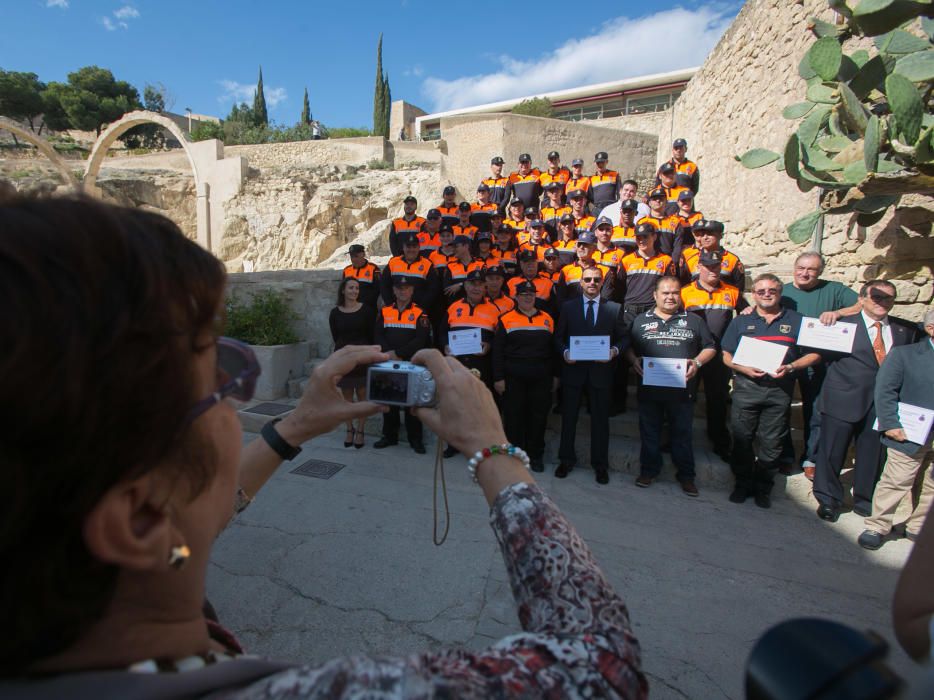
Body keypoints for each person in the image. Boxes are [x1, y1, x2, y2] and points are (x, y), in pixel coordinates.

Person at [0, 195, 646, 698]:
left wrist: (296, 427)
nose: (239, 401)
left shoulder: (85, 593)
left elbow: (197, 516)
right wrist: (491, 451)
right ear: (139, 515)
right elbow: (602, 662)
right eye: (220, 382)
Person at [814, 280, 919, 522]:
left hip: (881, 404)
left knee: (873, 454)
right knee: (831, 452)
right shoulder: (840, 326)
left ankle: (864, 498)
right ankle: (828, 498)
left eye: (888, 298)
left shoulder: (906, 331)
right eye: (876, 297)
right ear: (862, 299)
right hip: (843, 398)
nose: (882, 302)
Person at [721, 273, 821, 508]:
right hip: (746, 389)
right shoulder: (741, 321)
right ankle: (742, 484)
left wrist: (792, 366)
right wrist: (743, 368)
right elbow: (726, 355)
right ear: (753, 294)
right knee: (742, 439)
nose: (766, 294)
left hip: (779, 391)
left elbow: (815, 353)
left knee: (772, 442)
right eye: (761, 291)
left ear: (779, 293)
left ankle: (763, 487)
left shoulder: (797, 320)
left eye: (771, 290)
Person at [626, 276, 717, 495]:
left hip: (682, 390)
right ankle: (648, 471)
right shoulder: (640, 321)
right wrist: (633, 360)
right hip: (650, 389)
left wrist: (697, 362)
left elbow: (710, 347)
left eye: (675, 292)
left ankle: (686, 476)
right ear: (655, 295)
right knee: (649, 432)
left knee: (682, 433)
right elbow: (628, 346)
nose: (670, 297)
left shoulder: (694, 320)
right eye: (665, 293)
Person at [857, 308, 934, 550]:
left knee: (932, 486)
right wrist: (890, 423)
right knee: (897, 480)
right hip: (910, 432)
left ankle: (918, 527)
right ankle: (878, 525)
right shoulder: (905, 355)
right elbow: (885, 391)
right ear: (931, 328)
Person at [779, 251, 861, 478]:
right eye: (801, 268)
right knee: (780, 407)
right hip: (786, 357)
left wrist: (838, 312)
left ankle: (810, 458)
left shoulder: (833, 290)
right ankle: (784, 455)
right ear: (794, 267)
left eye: (811, 269)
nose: (805, 273)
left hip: (820, 359)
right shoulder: (782, 292)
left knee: (815, 410)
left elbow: (863, 304)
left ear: (820, 271)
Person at [555, 266, 629, 484]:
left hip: (601, 372)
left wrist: (613, 352)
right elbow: (558, 338)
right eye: (587, 279)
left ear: (602, 282)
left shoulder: (614, 308)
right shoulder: (568, 308)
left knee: (600, 421)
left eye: (596, 280)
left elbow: (624, 338)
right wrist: (565, 352)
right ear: (581, 282)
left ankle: (600, 464)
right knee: (569, 418)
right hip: (573, 371)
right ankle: (566, 459)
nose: (592, 283)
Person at [680, 250, 746, 459]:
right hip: (691, 353)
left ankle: (719, 441)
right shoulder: (684, 292)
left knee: (717, 398)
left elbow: (747, 316)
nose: (713, 271)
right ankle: (676, 438)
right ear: (699, 268)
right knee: (683, 398)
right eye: (708, 267)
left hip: (719, 355)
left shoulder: (733, 292)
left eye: (717, 267)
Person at [493, 280, 558, 473]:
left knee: (538, 418)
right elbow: (498, 351)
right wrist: (498, 378)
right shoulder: (506, 319)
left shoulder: (547, 318)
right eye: (523, 295)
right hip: (514, 378)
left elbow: (553, 350)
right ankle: (514, 457)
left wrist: (556, 375)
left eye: (531, 294)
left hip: (541, 377)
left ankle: (535, 456)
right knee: (513, 418)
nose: (528, 298)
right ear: (516, 297)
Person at [374, 275, 432, 453]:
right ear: (393, 290)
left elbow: (420, 339)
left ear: (412, 291)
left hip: (410, 363)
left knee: (411, 403)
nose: (402, 291)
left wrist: (399, 353)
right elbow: (378, 335)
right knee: (388, 401)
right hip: (389, 362)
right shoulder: (384, 311)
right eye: (399, 288)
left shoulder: (420, 313)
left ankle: (415, 439)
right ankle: (389, 436)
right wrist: (390, 353)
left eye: (406, 288)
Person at [329, 277, 377, 449]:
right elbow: (336, 337)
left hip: (363, 358)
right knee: (347, 398)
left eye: (357, 288)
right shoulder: (335, 313)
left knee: (362, 396)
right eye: (351, 288)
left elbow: (372, 335)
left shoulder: (367, 311)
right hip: (343, 358)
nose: (354, 291)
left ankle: (361, 431)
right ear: (343, 290)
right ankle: (349, 429)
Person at [678, 219, 744, 291]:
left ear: (720, 236)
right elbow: (683, 285)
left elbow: (739, 289)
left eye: (710, 234)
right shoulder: (690, 258)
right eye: (702, 234)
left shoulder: (732, 259)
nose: (705, 237)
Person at [379, 233, 438, 311]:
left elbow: (433, 289)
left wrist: (421, 307)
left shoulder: (427, 264)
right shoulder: (393, 262)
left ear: (419, 247)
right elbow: (384, 285)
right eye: (408, 247)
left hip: (418, 311)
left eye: (414, 247)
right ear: (403, 247)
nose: (411, 250)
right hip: (395, 309)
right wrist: (390, 304)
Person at [556, 230, 615, 305]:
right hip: (572, 314)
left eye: (585, 245)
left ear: (594, 248)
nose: (581, 247)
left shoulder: (605, 271)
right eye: (579, 244)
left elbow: (606, 299)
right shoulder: (566, 270)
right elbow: (561, 299)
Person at [508, 249, 557, 316]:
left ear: (537, 263)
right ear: (521, 264)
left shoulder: (548, 283)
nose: (530, 265)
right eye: (526, 262)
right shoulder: (511, 282)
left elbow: (554, 308)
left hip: (540, 322)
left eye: (533, 262)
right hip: (516, 322)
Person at [341, 244, 381, 308]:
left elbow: (378, 289)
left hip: (368, 308)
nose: (353, 259)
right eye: (351, 256)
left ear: (363, 254)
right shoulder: (346, 270)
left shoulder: (373, 268)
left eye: (356, 256)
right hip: (350, 308)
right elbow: (342, 290)